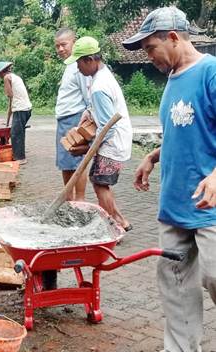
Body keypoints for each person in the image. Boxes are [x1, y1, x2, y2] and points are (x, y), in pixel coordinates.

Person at [123, 6, 216, 352]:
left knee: (214, 274)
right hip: (175, 200)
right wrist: (153, 157)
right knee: (174, 277)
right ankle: (182, 350)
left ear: (174, 38)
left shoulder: (210, 73)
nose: (149, 58)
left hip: (208, 203)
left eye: (150, 49)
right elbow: (187, 132)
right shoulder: (174, 79)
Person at [65, 36, 133, 231]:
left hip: (113, 143)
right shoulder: (101, 76)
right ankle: (120, 220)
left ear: (90, 60)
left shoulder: (99, 87)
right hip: (115, 140)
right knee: (100, 181)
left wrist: (87, 147)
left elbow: (108, 127)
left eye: (79, 63)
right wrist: (87, 113)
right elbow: (99, 111)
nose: (78, 68)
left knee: (100, 184)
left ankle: (114, 224)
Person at [54, 28, 90, 201]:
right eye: (57, 46)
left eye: (64, 45)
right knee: (65, 163)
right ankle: (68, 200)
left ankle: (80, 201)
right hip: (63, 120)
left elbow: (88, 97)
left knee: (77, 163)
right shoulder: (69, 66)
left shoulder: (79, 67)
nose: (60, 49)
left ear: (74, 43)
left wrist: (84, 123)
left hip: (75, 118)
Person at [0, 61, 32, 164]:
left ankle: (20, 158)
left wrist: (9, 119)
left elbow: (9, 95)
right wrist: (8, 120)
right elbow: (12, 102)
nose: (0, 78)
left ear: (1, 72)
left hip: (21, 109)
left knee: (16, 134)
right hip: (26, 108)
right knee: (19, 132)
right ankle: (19, 156)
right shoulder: (15, 77)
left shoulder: (6, 78)